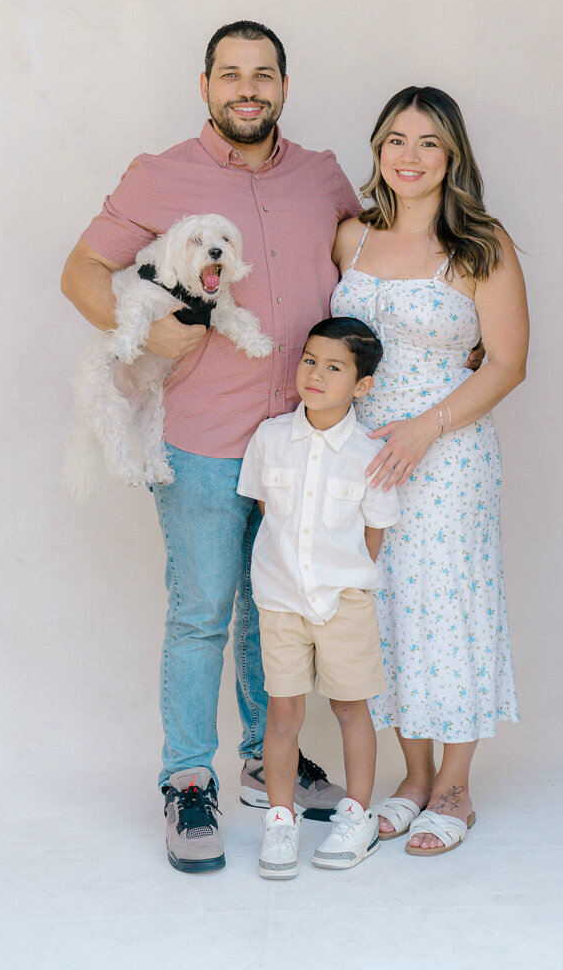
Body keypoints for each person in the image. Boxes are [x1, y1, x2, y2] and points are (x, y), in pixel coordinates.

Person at [61, 21, 359, 874]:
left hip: (301, 442)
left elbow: (374, 261)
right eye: (231, 75)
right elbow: (81, 271)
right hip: (202, 438)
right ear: (205, 86)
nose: (248, 89)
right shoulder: (160, 175)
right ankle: (188, 780)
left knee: (280, 615)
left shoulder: (323, 175)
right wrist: (152, 343)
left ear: (284, 86)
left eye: (263, 75)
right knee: (202, 614)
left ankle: (272, 763)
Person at [331, 86, 529, 856]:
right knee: (385, 610)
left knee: (448, 610)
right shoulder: (351, 238)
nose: (409, 158)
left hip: (448, 454)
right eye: (395, 141)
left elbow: (508, 361)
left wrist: (426, 426)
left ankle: (455, 787)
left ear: (452, 157)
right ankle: (411, 779)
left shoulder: (482, 245)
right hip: (366, 457)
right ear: (378, 150)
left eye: (428, 144)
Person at [237, 318, 401, 877]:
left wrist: (341, 576)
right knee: (282, 712)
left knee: (351, 707)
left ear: (362, 385)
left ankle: (356, 817)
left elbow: (374, 531)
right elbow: (266, 509)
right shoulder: (270, 437)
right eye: (310, 360)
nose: (316, 374)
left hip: (344, 602)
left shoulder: (369, 453)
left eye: (335, 367)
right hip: (281, 599)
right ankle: (279, 820)